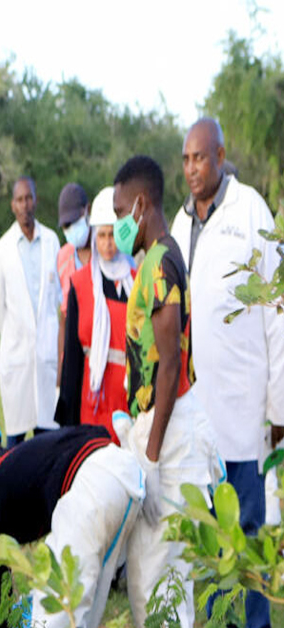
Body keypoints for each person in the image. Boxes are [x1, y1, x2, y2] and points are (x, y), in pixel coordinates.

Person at [170, 118, 284, 628]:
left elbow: (277, 313)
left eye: (201, 157)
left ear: (220, 154)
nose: (193, 168)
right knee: (212, 548)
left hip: (247, 413)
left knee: (252, 542)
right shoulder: (178, 223)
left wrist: (279, 404)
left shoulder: (251, 211)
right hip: (201, 424)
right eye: (186, 160)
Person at [111, 155, 221, 627]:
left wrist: (151, 456)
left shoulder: (158, 264)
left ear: (141, 204)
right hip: (167, 425)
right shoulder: (164, 252)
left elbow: (170, 362)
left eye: (119, 213)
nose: (117, 225)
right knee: (160, 580)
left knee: (159, 584)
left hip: (170, 434)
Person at [0, 419, 143, 628]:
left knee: (54, 613)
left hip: (92, 486)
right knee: (84, 612)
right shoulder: (23, 461)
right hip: (127, 471)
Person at [53, 187, 134, 440]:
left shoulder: (136, 283)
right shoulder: (80, 284)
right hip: (93, 405)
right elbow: (73, 360)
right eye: (102, 235)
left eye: (113, 235)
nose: (108, 243)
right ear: (94, 236)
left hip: (126, 406)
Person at [0, 177, 61, 444]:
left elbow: (58, 299)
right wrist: (17, 335)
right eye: (19, 200)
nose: (25, 205)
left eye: (29, 198)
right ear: (12, 205)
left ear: (36, 200)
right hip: (16, 356)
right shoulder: (2, 249)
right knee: (16, 443)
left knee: (49, 439)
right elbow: (0, 307)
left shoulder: (52, 241)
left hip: (46, 356)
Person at [56, 183, 91, 369]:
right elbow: (64, 319)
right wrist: (62, 371)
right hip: (75, 357)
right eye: (66, 226)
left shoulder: (105, 250)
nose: (71, 230)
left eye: (74, 222)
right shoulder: (63, 258)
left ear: (87, 210)